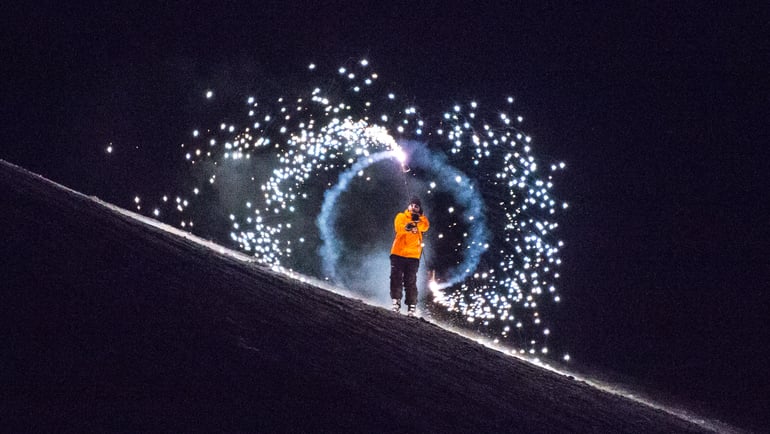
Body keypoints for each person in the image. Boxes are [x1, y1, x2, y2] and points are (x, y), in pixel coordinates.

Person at [390, 197, 430, 316]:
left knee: (410, 281)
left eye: (416, 206)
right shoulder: (401, 216)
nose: (413, 207)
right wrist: (407, 226)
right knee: (395, 278)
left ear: (419, 209)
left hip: (413, 256)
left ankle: (411, 307)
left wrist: (420, 218)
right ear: (408, 206)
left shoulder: (421, 220)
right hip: (398, 253)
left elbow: (426, 227)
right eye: (412, 205)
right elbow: (398, 227)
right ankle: (396, 302)